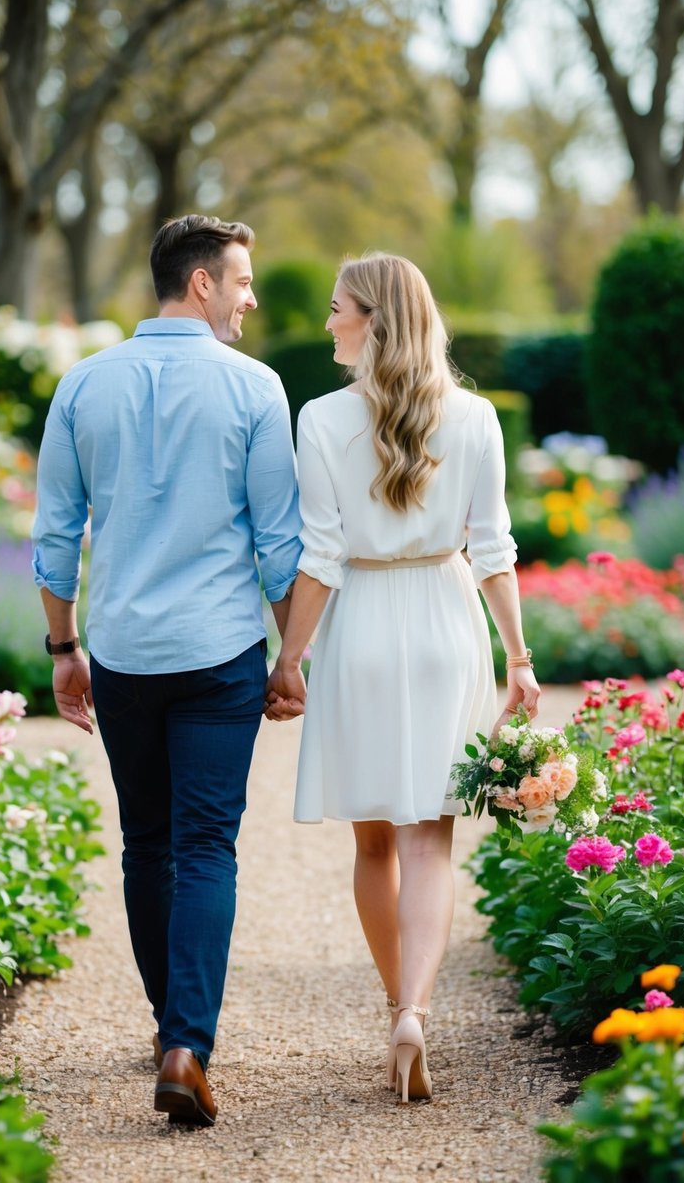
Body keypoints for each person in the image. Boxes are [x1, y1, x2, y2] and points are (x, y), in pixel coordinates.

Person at [32, 214, 302, 1127]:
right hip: (220, 652)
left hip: (123, 652)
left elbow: (56, 535)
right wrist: (291, 656)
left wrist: (64, 650)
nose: (249, 298)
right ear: (200, 284)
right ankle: (187, 1044)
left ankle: (166, 1032)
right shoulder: (255, 389)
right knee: (203, 846)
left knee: (146, 843)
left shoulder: (81, 383)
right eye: (242, 281)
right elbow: (278, 544)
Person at [266, 252, 540, 1104]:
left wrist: (290, 658)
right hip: (446, 623)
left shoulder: (317, 418)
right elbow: (492, 549)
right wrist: (520, 659)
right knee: (430, 837)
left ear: (375, 320)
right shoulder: (476, 417)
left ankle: (395, 1003)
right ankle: (415, 1012)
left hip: (363, 630)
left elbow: (317, 554)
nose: (327, 322)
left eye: (337, 307)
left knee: (373, 840)